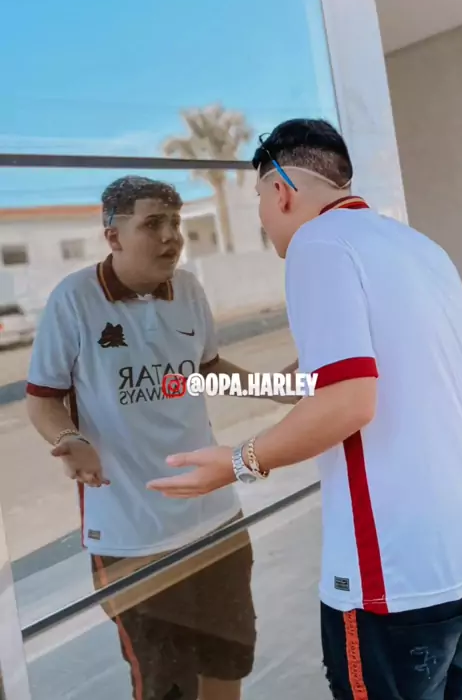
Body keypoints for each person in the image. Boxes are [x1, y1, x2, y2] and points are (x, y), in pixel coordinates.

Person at [150, 119, 462, 700]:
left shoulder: (317, 245)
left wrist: (238, 462)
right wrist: (215, 381)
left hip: (389, 580)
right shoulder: (417, 247)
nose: (261, 218)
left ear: (280, 189)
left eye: (258, 198)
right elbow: (455, 363)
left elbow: (347, 400)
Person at [26, 175, 296, 700]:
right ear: (113, 236)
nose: (171, 236)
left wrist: (278, 388)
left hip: (216, 522)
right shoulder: (74, 300)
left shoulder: (189, 289)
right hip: (132, 538)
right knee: (167, 687)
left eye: (175, 222)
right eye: (153, 224)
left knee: (227, 664)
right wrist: (71, 439)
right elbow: (42, 399)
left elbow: (207, 369)